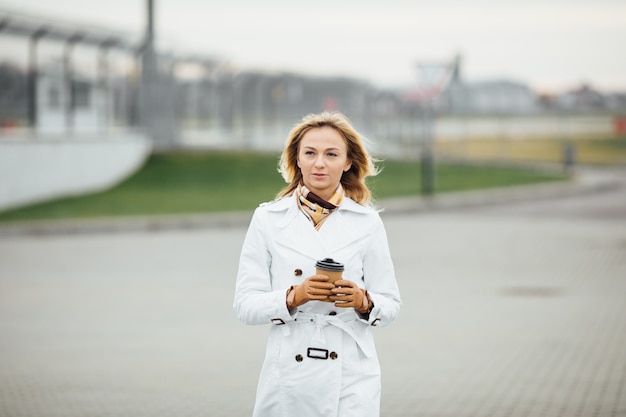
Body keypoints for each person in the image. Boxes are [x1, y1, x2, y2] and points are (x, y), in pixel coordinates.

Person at [233, 111, 402, 417]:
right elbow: (245, 306)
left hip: (352, 373)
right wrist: (295, 296)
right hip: (289, 371)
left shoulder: (368, 222)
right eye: (310, 153)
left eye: (331, 154)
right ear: (296, 159)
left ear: (348, 162)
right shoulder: (268, 219)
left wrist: (363, 301)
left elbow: (391, 304)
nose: (319, 163)